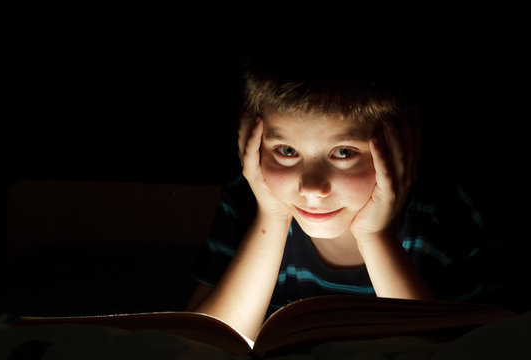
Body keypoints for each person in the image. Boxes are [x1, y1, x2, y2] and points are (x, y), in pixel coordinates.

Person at [186, 33, 494, 339]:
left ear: (402, 141)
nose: (311, 188)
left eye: (343, 152)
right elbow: (201, 344)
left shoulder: (447, 215)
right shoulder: (245, 202)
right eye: (287, 151)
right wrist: (272, 217)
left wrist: (375, 237)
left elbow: (453, 350)